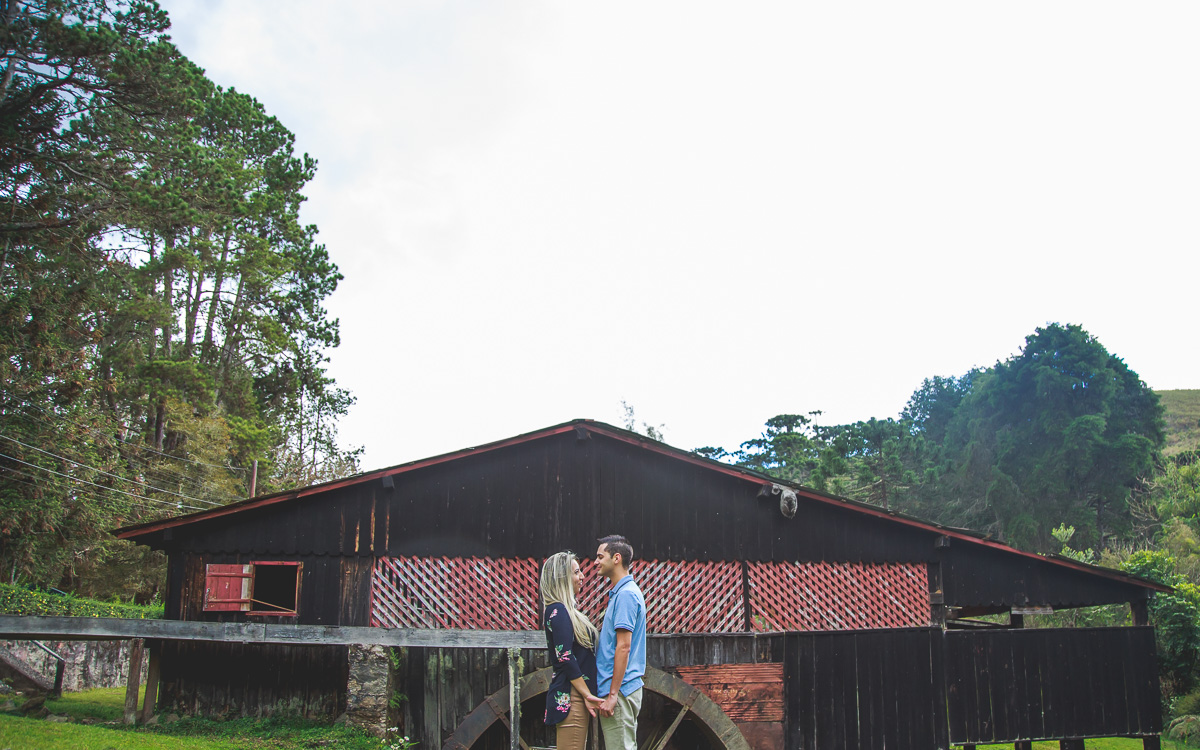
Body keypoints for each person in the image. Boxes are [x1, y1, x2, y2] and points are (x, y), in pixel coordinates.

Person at [540, 551, 604, 749]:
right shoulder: (557, 611)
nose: (582, 576)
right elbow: (565, 656)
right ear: (562, 578)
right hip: (573, 695)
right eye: (577, 572)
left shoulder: (567, 611)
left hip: (576, 693)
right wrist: (587, 695)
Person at [594, 534, 647, 750]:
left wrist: (613, 694)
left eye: (600, 556)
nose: (595, 562)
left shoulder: (625, 595)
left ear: (616, 558)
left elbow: (623, 646)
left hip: (620, 691)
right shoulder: (622, 593)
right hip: (622, 689)